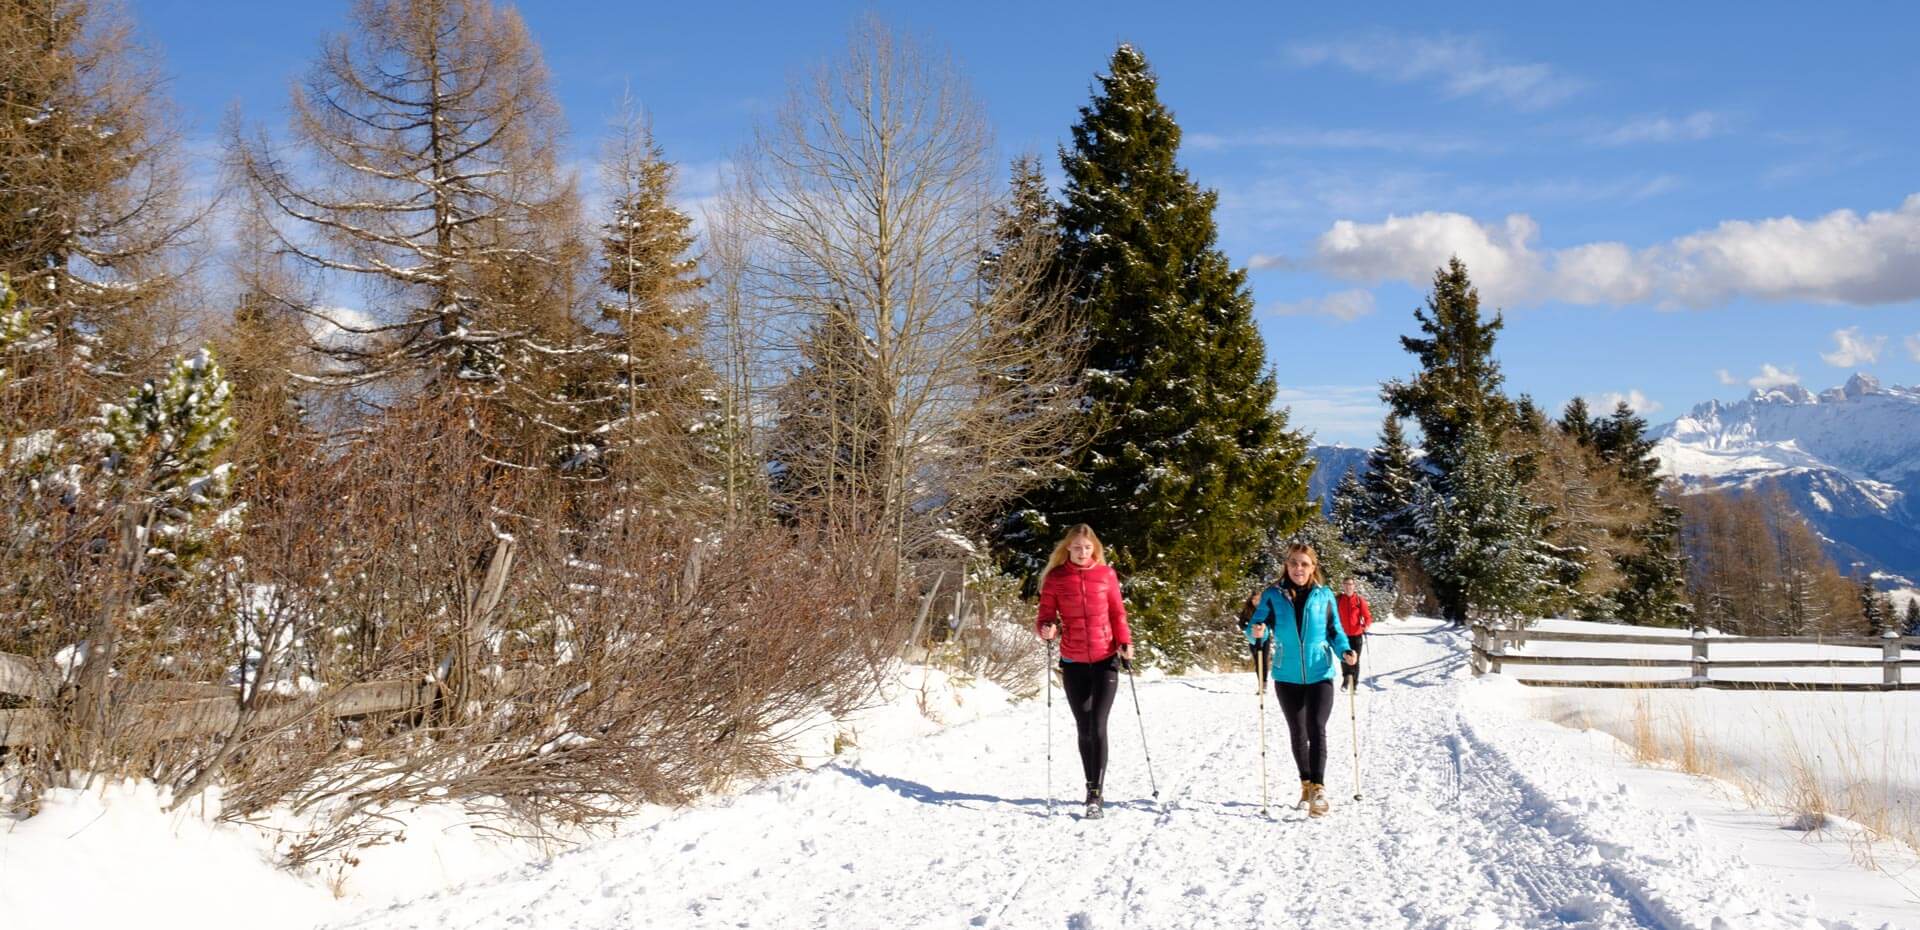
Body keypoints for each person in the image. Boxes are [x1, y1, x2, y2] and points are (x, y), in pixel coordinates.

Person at [1244, 543, 1354, 817]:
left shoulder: (1325, 595)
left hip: (1320, 673)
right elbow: (1255, 627)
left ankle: (1319, 788)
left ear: (1313, 567)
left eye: (1304, 564)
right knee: (1298, 731)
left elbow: (1335, 631)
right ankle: (1305, 783)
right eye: (1294, 563)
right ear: (1287, 565)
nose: (1298, 568)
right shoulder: (1272, 595)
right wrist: (1257, 631)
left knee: (1316, 726)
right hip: (1286, 674)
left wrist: (1345, 651)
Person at [1034, 524, 1134, 820]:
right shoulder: (1056, 578)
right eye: (1077, 547)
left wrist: (1125, 641)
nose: (1082, 552)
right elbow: (1045, 615)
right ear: (1068, 548)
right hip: (1073, 659)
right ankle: (1089, 782)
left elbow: (1117, 612)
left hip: (1106, 658)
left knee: (1098, 722)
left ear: (1095, 550)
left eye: (1087, 548)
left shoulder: (1106, 575)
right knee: (1084, 725)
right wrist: (1046, 628)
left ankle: (1095, 792)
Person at [1336, 578, 1375, 692]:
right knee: (1344, 658)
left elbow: (1367, 617)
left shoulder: (1359, 600)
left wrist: (1365, 626)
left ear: (1354, 586)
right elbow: (1333, 616)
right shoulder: (1338, 600)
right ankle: (1346, 681)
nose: (1348, 586)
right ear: (1343, 586)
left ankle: (1355, 683)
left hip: (1357, 635)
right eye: (1346, 584)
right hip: (1343, 635)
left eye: (1351, 584)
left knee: (1355, 660)